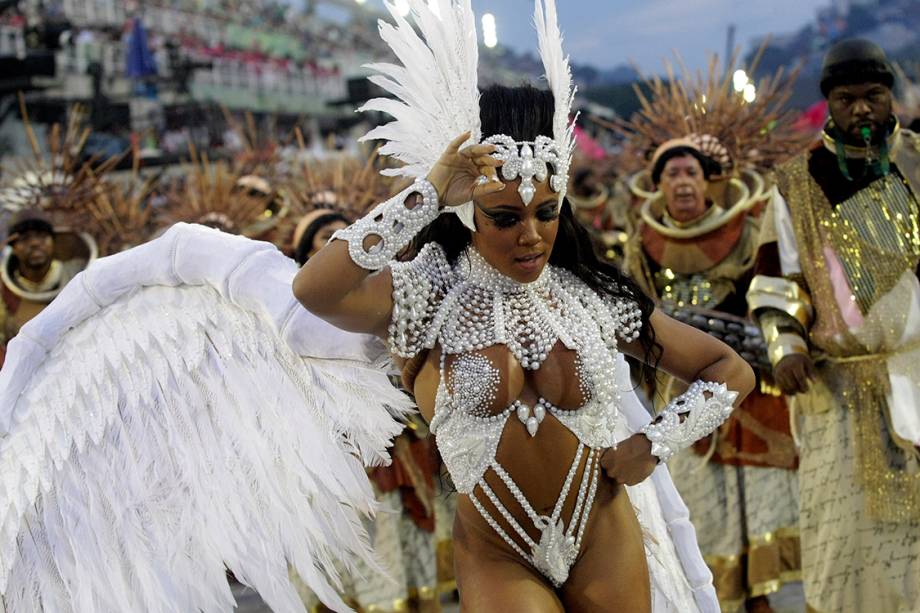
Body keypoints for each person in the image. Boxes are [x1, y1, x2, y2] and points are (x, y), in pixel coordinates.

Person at [295, 2, 754, 610]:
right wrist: (428, 193)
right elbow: (314, 289)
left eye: (545, 213)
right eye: (505, 218)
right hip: (497, 554)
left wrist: (655, 443)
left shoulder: (588, 294)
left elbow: (730, 370)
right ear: (468, 212)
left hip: (604, 538)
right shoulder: (427, 291)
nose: (531, 236)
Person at [748, 38, 920, 613]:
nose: (863, 110)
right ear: (829, 103)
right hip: (837, 391)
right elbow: (776, 281)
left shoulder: (918, 163)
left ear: (890, 95)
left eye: (874, 95)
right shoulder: (796, 182)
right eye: (848, 99)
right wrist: (785, 347)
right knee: (842, 540)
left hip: (918, 372)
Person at [623, 139, 800, 613]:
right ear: (658, 186)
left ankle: (761, 592)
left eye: (691, 173)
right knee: (702, 502)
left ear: (708, 182)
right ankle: (714, 592)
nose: (683, 182)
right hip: (679, 393)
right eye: (672, 174)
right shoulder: (643, 242)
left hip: (743, 386)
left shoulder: (745, 234)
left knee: (756, 494)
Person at [0, 210, 88, 354]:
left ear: (53, 241)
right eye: (24, 238)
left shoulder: (79, 276)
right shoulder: (4, 293)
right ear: (14, 248)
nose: (34, 243)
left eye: (42, 236)